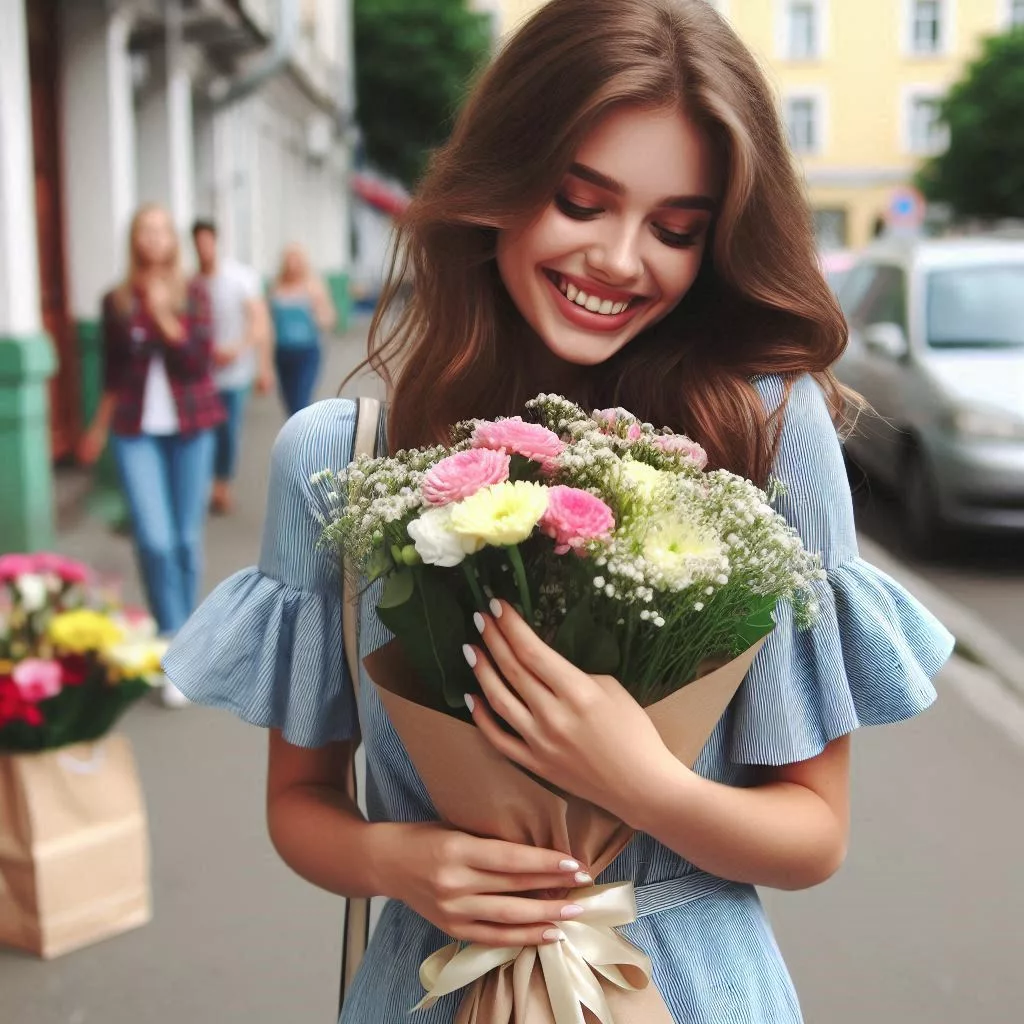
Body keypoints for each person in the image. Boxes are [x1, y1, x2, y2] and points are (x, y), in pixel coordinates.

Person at [164, 2, 954, 1019]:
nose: (621, 260)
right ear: (501, 182)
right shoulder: (339, 458)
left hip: (690, 987)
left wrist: (639, 781)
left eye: (676, 228)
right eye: (581, 202)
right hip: (433, 982)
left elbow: (814, 835)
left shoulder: (767, 432)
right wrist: (396, 859)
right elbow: (298, 804)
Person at [80, 204, 224, 709]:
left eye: (163, 230)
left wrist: (165, 315)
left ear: (173, 240)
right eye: (146, 230)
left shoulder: (195, 292)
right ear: (135, 239)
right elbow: (114, 373)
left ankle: (184, 648)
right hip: (134, 430)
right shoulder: (116, 300)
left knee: (185, 539)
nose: (155, 239)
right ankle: (172, 640)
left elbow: (198, 361)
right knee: (156, 540)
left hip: (192, 427)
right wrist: (96, 428)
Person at [191, 219, 273, 515]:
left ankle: (222, 485)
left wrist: (256, 362)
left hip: (235, 372)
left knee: (227, 430)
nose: (203, 249)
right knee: (203, 431)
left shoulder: (240, 278)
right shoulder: (192, 282)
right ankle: (206, 485)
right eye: (198, 243)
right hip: (201, 374)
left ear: (215, 242)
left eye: (207, 242)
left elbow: (259, 321)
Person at [268, 244, 336, 415]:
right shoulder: (276, 286)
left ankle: (302, 438)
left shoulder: (313, 286)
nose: (292, 265)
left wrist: (318, 312)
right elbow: (269, 323)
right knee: (289, 402)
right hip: (282, 351)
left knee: (301, 401)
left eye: (296, 261)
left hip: (306, 351)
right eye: (288, 261)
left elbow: (329, 318)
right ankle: (295, 436)